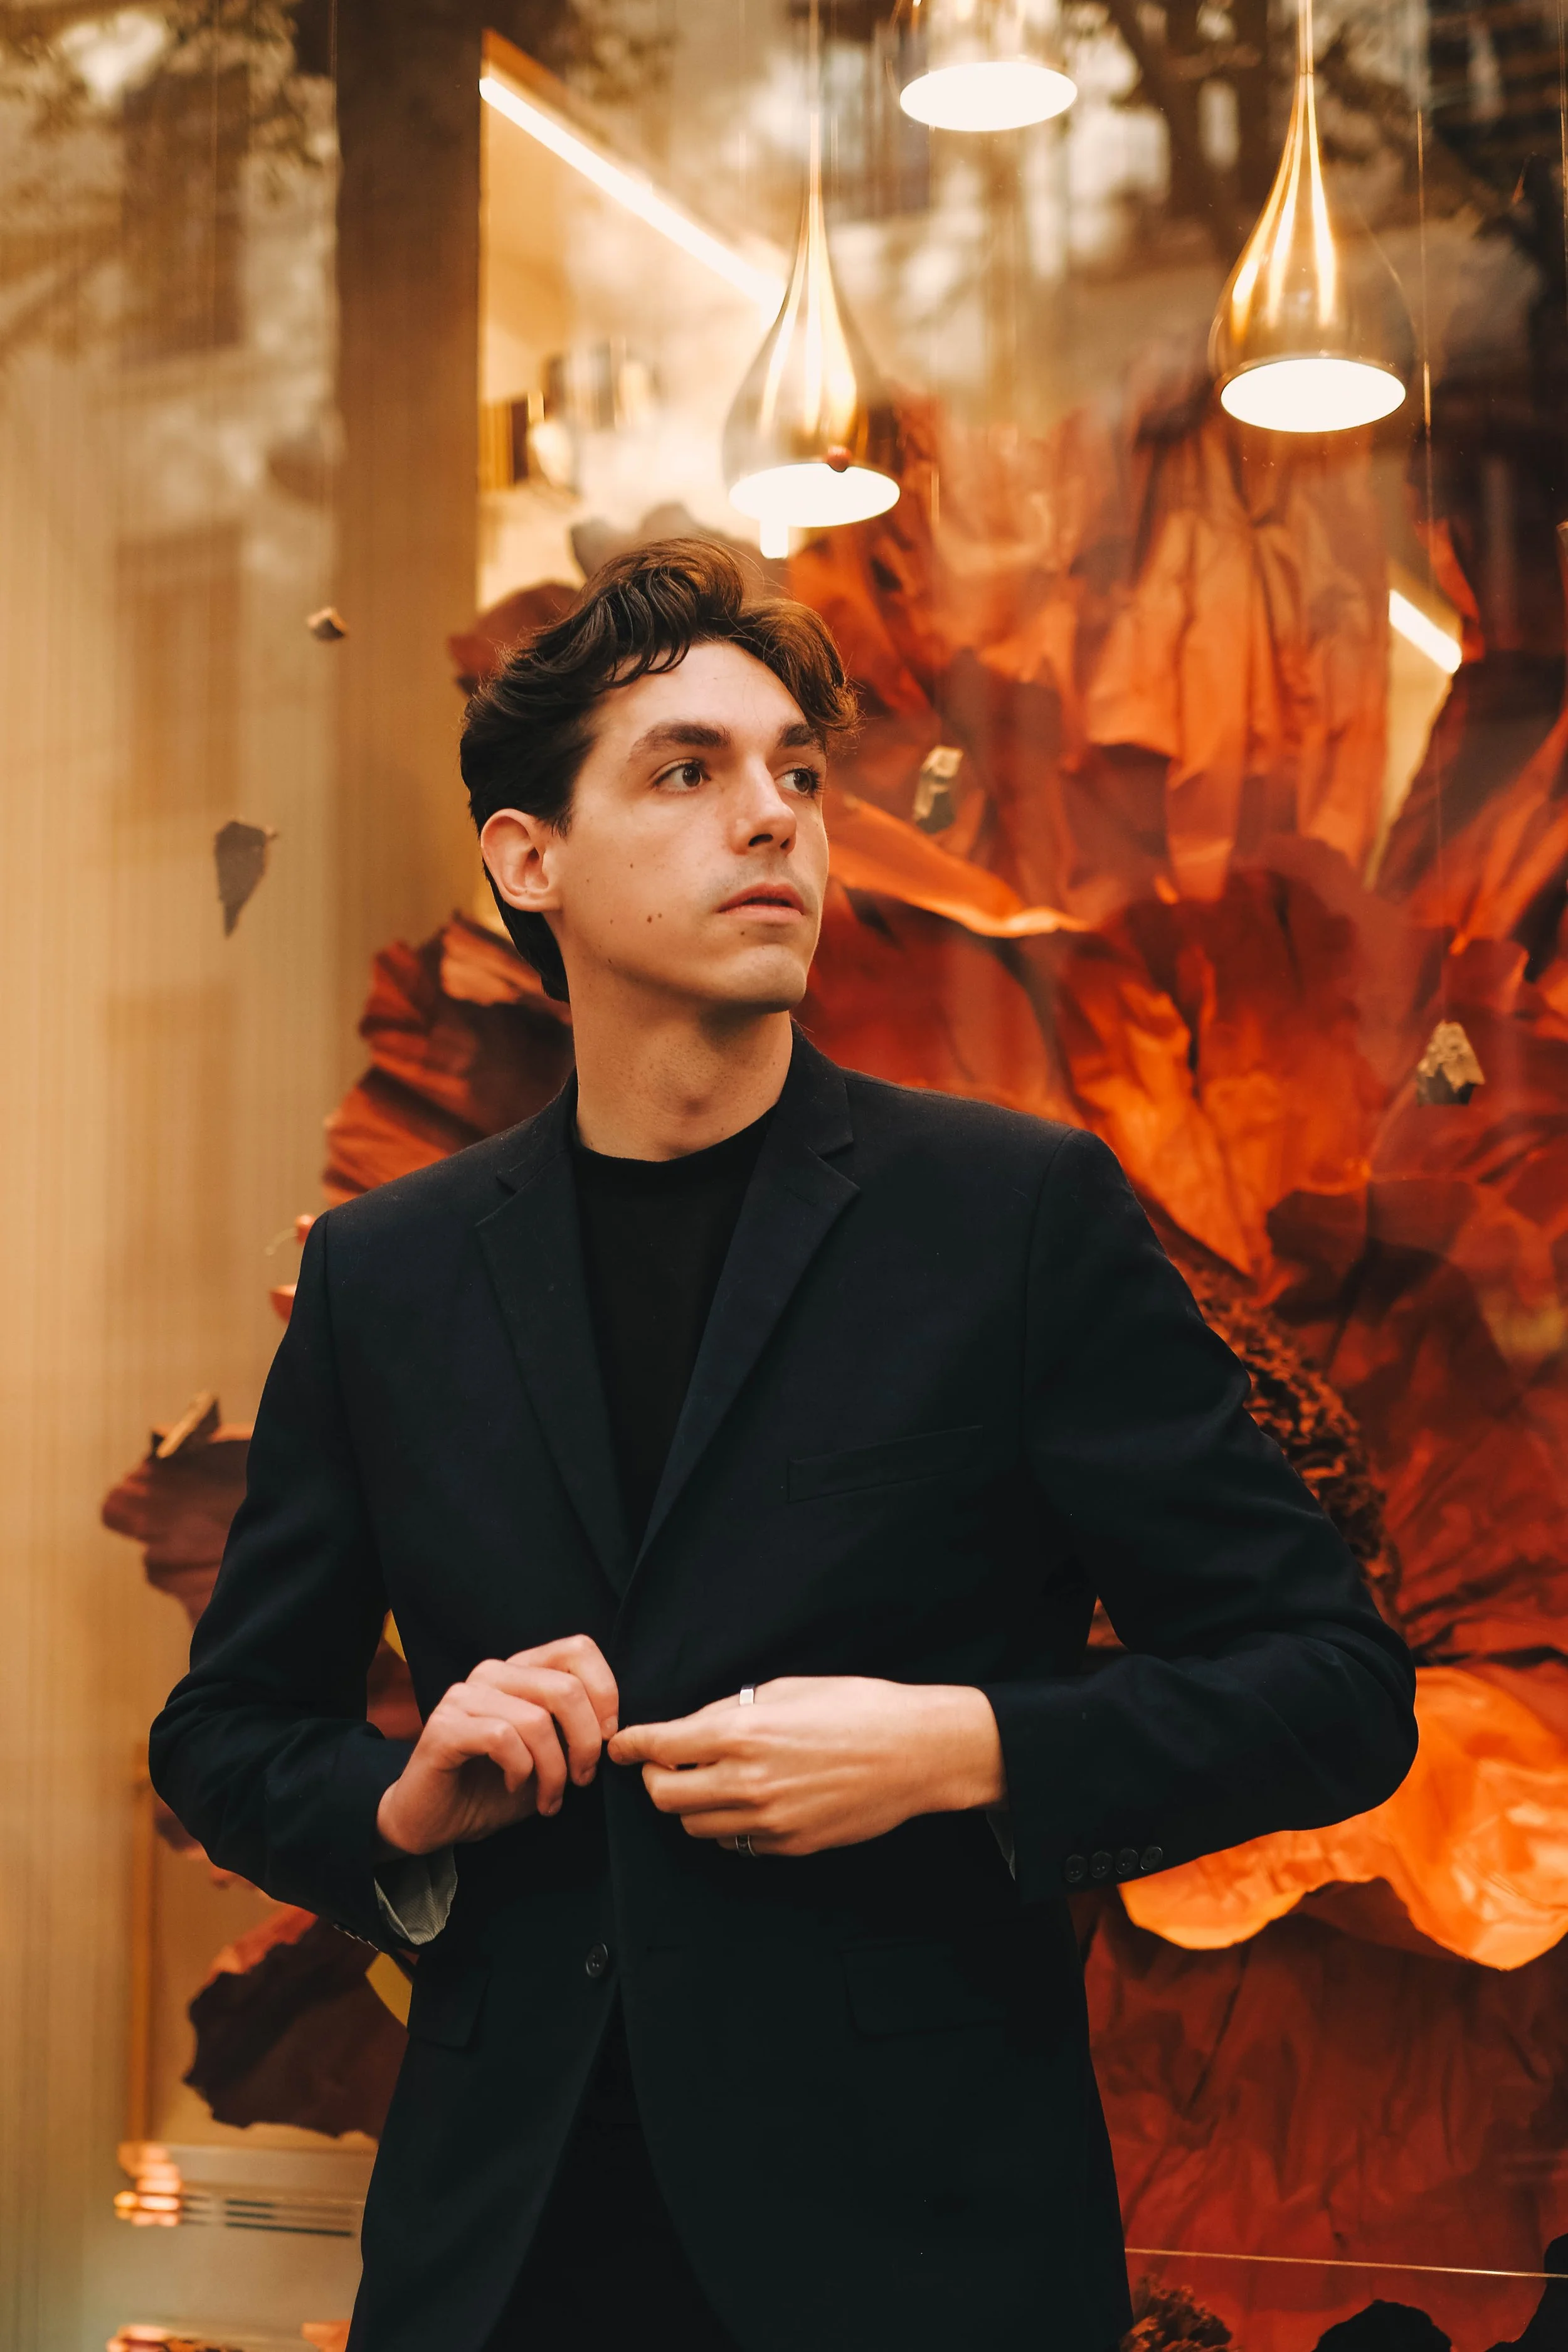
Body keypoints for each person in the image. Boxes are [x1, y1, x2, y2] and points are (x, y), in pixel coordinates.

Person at [151, 539, 1417, 2352]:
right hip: (502, 2264)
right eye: (688, 769)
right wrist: (402, 1804)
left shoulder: (1013, 1219)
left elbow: (1332, 1688)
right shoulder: (389, 1272)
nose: (775, 819)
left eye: (799, 775)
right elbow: (221, 1734)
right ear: (528, 859)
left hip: (920, 2261)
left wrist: (965, 1745)